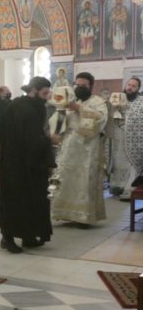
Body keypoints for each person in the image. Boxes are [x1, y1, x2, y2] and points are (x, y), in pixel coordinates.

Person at [0, 77, 56, 254]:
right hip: (17, 163)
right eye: (44, 93)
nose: (47, 97)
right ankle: (7, 238)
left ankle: (29, 236)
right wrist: (49, 140)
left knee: (33, 200)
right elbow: (27, 138)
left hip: (33, 163)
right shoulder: (21, 107)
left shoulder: (35, 106)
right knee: (15, 200)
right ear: (34, 90)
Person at [51, 71, 108, 225]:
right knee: (65, 178)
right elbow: (58, 119)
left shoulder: (98, 102)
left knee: (84, 182)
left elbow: (101, 120)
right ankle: (65, 213)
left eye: (84, 85)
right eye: (78, 85)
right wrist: (60, 115)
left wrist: (78, 108)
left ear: (91, 86)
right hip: (69, 146)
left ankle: (83, 216)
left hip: (88, 148)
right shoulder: (69, 100)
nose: (80, 87)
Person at [108, 77, 141, 199]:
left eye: (133, 86)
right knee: (116, 160)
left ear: (138, 89)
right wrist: (113, 109)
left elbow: (140, 118)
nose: (130, 88)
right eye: (129, 85)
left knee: (128, 163)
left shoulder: (140, 102)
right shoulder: (116, 98)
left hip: (132, 138)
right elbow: (108, 114)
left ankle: (127, 188)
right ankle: (116, 186)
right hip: (117, 136)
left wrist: (126, 117)